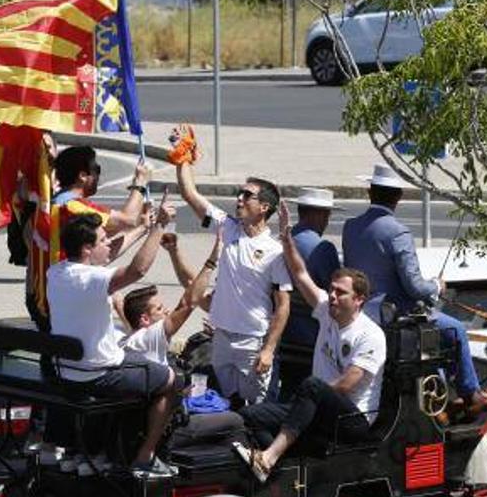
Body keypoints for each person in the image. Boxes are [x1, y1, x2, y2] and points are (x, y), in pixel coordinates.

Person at [233, 203, 386, 483]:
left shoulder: (370, 335)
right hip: (318, 406)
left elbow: (347, 385)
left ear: (359, 300)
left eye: (341, 293)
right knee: (249, 415)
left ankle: (268, 458)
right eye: (332, 290)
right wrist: (287, 239)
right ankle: (281, 477)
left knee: (311, 385)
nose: (333, 296)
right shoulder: (327, 312)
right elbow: (301, 274)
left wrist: (307, 402)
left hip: (352, 421)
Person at [342, 162, 487, 417]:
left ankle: (439, 401)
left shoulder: (350, 227)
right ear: (398, 197)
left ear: (370, 192)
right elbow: (415, 286)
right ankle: (471, 394)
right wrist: (436, 287)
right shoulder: (398, 232)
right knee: (456, 330)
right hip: (394, 316)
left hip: (361, 312)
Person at [47, 199, 182, 478]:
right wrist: (158, 227)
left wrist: (142, 229)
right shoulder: (92, 279)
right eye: (103, 239)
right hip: (97, 374)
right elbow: (137, 271)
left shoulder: (56, 272)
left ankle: (100, 450)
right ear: (87, 249)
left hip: (68, 372)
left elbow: (107, 256)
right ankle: (145, 456)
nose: (108, 243)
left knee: (141, 364)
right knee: (173, 381)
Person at [174, 145, 291, 406]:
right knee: (226, 403)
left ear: (264, 207)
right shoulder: (227, 228)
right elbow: (190, 194)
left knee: (255, 409)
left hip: (252, 343)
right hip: (222, 339)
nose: (239, 199)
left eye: (247, 195)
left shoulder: (275, 251)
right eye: (239, 193)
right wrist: (183, 156)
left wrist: (269, 350)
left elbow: (283, 306)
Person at [26, 143, 152, 331]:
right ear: (83, 176)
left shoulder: (48, 207)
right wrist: (140, 183)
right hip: (61, 304)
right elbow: (128, 219)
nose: (98, 176)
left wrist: (143, 228)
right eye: (96, 170)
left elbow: (104, 253)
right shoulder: (72, 208)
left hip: (41, 299)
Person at [119, 234, 221, 366]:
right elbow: (189, 300)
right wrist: (211, 261)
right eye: (159, 308)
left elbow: (192, 288)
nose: (167, 310)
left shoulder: (127, 340)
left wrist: (174, 251)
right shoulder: (150, 337)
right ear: (144, 319)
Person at [283, 187, 342, 347]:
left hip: (282, 328)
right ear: (319, 215)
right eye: (327, 216)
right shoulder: (322, 248)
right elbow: (333, 291)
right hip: (312, 331)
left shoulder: (282, 240)